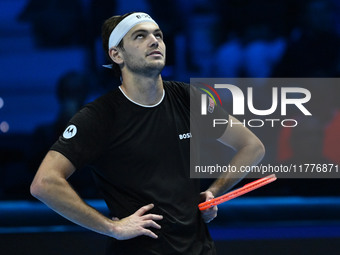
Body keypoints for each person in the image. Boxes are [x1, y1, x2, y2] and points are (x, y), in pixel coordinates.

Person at [30, 12, 265, 255]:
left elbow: (252, 146)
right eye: (140, 36)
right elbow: (44, 183)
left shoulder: (189, 97)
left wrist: (214, 193)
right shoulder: (100, 115)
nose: (155, 41)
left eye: (158, 35)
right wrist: (112, 227)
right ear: (116, 54)